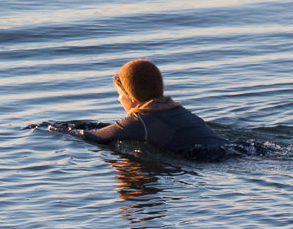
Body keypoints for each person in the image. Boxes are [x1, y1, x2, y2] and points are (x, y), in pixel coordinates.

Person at [74, 59, 229, 159]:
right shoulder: (179, 110)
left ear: (132, 97)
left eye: (120, 94)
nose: (119, 99)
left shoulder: (140, 120)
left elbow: (93, 137)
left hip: (210, 159)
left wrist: (55, 128)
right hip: (235, 149)